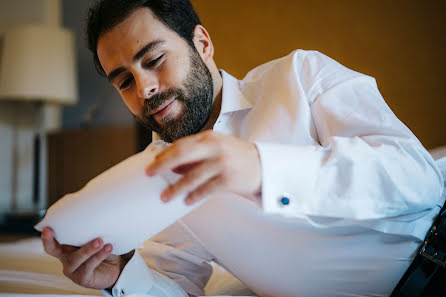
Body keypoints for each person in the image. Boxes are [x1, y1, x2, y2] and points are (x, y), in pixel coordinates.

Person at [41, 0, 445, 296]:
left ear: (202, 44)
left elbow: (420, 180)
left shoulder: (300, 76)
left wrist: (262, 169)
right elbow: (178, 285)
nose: (145, 87)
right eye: (124, 81)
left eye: (155, 59)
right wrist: (120, 277)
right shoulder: (154, 182)